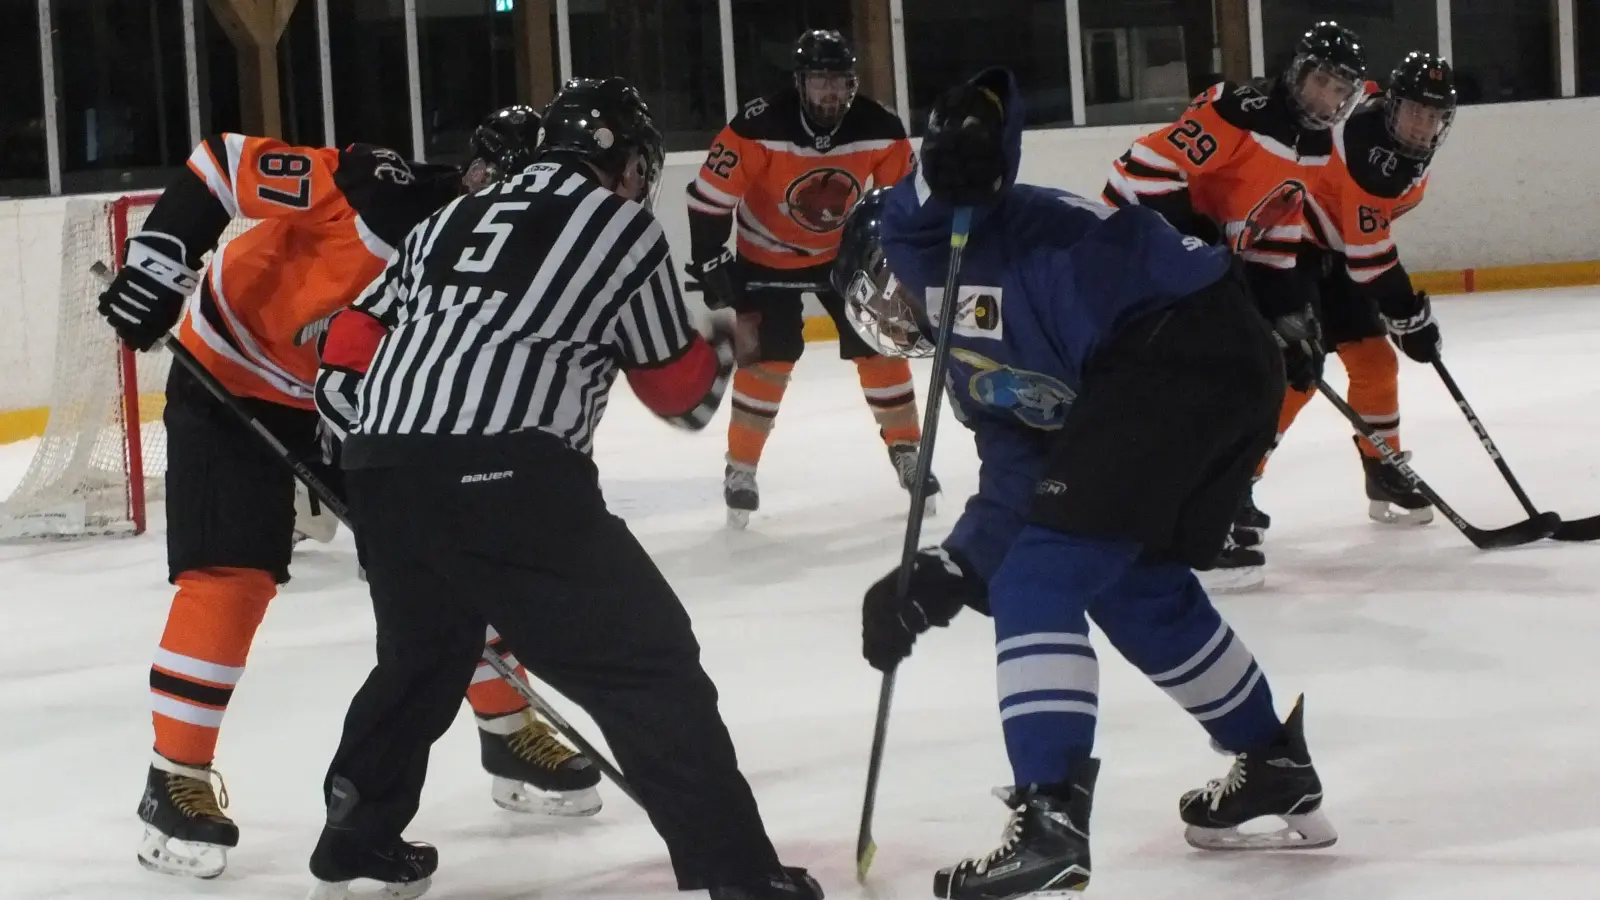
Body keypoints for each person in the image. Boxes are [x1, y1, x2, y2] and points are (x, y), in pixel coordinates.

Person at [305, 77, 822, 900]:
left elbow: (354, 328)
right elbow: (678, 396)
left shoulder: (448, 218)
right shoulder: (620, 227)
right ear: (618, 159)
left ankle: (356, 834)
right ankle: (739, 873)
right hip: (507, 471)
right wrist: (732, 338)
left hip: (383, 470)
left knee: (422, 656)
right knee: (648, 663)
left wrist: (353, 415)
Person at [836, 69, 1336, 900]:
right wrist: (946, 573)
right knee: (1131, 578)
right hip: (1216, 367)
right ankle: (1273, 762)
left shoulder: (926, 232)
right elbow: (1020, 475)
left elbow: (982, 112)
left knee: (1042, 573)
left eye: (884, 300)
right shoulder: (970, 367)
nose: (899, 321)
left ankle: (1050, 823)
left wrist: (969, 128)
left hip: (1172, 343)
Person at [95, 106, 600, 881]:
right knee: (233, 575)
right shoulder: (371, 188)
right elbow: (222, 164)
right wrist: (163, 257)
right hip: (230, 368)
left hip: (358, 410)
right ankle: (175, 780)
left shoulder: (516, 264)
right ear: (479, 172)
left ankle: (505, 728)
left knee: (443, 562)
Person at [1102, 21, 1368, 586]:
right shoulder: (1238, 110)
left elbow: (1276, 228)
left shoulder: (1317, 145)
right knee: (1215, 377)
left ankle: (1221, 496)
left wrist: (1286, 314)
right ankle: (1188, 517)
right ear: (1296, 71)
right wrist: (1200, 244)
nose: (1327, 99)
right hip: (1135, 256)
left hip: (1200, 263)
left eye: (1339, 91)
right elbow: (1137, 172)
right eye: (1320, 81)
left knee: (1274, 366)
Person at [686, 29, 937, 528]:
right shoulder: (758, 125)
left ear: (853, 83)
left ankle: (907, 449)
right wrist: (712, 261)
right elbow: (708, 198)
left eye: (840, 82)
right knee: (767, 359)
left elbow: (905, 202)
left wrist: (908, 259)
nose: (831, 93)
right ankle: (741, 467)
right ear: (800, 83)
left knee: (880, 344)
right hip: (764, 255)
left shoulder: (879, 126)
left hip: (845, 254)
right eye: (820, 82)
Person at [1262, 51, 1456, 533]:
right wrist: (1410, 316)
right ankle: (1235, 484)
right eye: (1413, 111)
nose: (1420, 126)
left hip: (1335, 251)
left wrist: (1407, 317)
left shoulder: (1385, 126)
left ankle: (1382, 468)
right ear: (1392, 106)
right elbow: (1371, 260)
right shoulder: (1374, 158)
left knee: (1374, 361)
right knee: (1296, 375)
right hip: (1289, 249)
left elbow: (1363, 250)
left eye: (1433, 116)